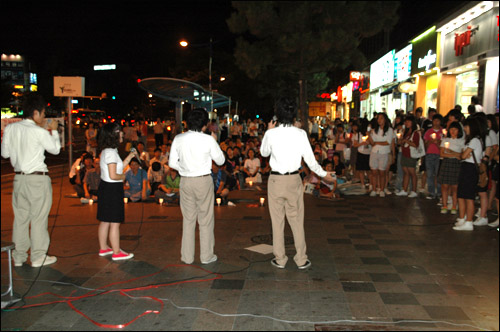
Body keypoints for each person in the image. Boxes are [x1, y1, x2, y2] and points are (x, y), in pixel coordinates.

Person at [260, 97, 335, 270]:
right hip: (294, 179)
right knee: (296, 220)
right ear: (294, 114)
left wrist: (268, 131)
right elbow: (311, 161)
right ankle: (301, 259)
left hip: (276, 180)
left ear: (278, 114)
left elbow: (264, 153)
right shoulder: (300, 134)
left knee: (277, 221)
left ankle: (280, 258)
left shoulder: (271, 133)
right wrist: (325, 175)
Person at [1, 93, 61, 267]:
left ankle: (18, 257)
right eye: (42, 114)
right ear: (35, 113)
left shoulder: (11, 129)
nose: (43, 118)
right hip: (37, 179)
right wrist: (54, 130)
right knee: (38, 218)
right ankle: (38, 256)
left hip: (19, 178)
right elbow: (55, 150)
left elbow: (5, 153)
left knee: (20, 218)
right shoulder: (38, 131)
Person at [168, 108, 225, 265]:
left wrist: (185, 169)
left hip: (186, 181)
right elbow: (220, 161)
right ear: (204, 124)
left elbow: (172, 163)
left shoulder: (179, 138)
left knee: (188, 219)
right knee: (205, 219)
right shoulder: (208, 140)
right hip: (203, 180)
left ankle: (187, 256)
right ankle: (206, 256)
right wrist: (214, 140)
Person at [97, 122, 137, 260]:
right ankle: (116, 251)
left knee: (105, 220)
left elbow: (117, 168)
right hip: (112, 189)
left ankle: (104, 248)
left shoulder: (108, 151)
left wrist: (130, 157)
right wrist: (123, 177)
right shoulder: (110, 153)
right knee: (114, 221)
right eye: (119, 131)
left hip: (106, 187)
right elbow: (114, 175)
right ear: (112, 135)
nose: (122, 133)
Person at [454, 117, 485, 231]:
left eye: (466, 127)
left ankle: (469, 221)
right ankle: (462, 218)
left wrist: (463, 155)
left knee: (469, 196)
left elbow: (463, 155)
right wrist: (463, 155)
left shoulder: (475, 140)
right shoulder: (469, 140)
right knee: (461, 194)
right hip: (465, 166)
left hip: (471, 168)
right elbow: (462, 154)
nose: (465, 129)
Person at [438, 122, 464, 214]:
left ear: (459, 130)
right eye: (451, 129)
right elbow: (442, 153)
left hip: (456, 164)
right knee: (444, 185)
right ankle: (444, 205)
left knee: (455, 187)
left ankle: (454, 205)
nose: (453, 131)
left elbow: (462, 155)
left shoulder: (461, 141)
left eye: (455, 129)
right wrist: (454, 154)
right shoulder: (445, 140)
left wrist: (451, 152)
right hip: (447, 162)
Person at [368, 113, 395, 197]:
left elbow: (388, 142)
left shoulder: (389, 130)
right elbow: (372, 143)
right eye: (378, 119)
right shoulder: (375, 130)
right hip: (374, 152)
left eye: (381, 118)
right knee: (374, 172)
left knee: (382, 172)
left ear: (385, 120)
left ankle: (382, 189)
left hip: (384, 153)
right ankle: (374, 189)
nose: (379, 120)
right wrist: (368, 134)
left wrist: (377, 142)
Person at [396, 115, 420, 198]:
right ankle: (404, 189)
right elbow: (401, 143)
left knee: (412, 172)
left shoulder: (415, 133)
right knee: (405, 172)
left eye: (409, 122)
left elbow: (415, 144)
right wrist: (400, 140)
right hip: (404, 153)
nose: (407, 123)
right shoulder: (405, 132)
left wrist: (406, 141)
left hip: (411, 155)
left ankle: (414, 190)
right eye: (406, 122)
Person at [423, 114, 444, 200]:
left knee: (438, 174)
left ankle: (439, 192)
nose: (436, 122)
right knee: (430, 173)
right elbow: (425, 144)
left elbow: (445, 144)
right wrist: (430, 141)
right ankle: (431, 191)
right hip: (430, 154)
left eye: (438, 121)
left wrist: (438, 142)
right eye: (435, 120)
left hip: (440, 155)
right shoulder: (429, 132)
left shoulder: (443, 132)